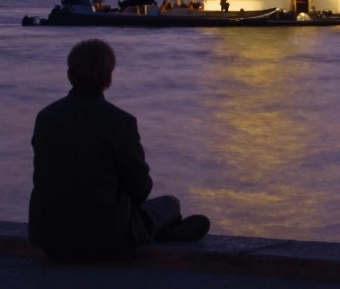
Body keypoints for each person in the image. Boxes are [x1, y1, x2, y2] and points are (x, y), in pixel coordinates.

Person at [29, 39, 209, 262]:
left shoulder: (46, 117)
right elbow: (140, 188)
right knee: (170, 204)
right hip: (105, 237)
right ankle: (154, 233)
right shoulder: (120, 122)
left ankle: (151, 231)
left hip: (49, 236)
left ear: (69, 74)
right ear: (108, 79)